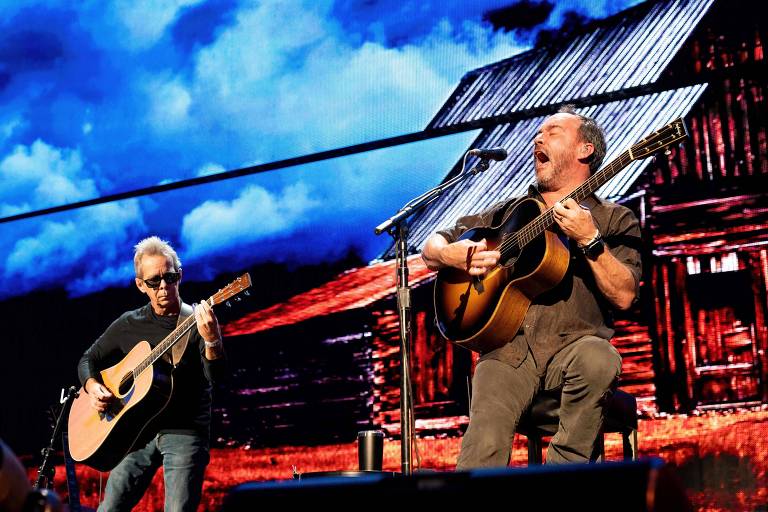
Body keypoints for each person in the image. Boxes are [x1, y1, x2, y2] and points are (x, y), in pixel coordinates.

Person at [422, 106, 642, 467]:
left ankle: (556, 484)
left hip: (575, 346)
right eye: (538, 133)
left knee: (599, 357)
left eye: (552, 132)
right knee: (483, 443)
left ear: (584, 150)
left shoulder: (614, 218)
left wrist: (591, 241)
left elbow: (624, 294)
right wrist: (450, 255)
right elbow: (432, 246)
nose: (537, 138)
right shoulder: (511, 212)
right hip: (510, 351)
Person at [77, 236, 226, 511]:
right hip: (138, 430)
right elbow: (89, 358)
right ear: (140, 285)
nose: (163, 287)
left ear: (179, 276)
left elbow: (216, 376)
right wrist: (93, 386)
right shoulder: (129, 323)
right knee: (109, 508)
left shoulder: (194, 321)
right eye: (154, 282)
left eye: (169, 278)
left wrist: (213, 341)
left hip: (185, 430)